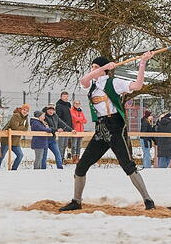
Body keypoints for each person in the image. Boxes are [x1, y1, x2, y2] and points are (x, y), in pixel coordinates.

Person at [61, 51, 156, 211]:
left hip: (115, 126)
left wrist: (143, 62)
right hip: (101, 129)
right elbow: (84, 80)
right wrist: (103, 67)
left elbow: (137, 85)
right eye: (91, 67)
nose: (92, 70)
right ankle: (76, 201)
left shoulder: (114, 82)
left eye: (95, 67)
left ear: (104, 70)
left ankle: (148, 200)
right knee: (81, 167)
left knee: (128, 166)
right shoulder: (91, 86)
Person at [0, 104, 30, 170]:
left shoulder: (25, 118)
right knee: (2, 155)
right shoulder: (16, 115)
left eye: (27, 111)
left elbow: (26, 128)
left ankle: (14, 169)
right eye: (24, 110)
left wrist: (22, 128)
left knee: (20, 155)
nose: (25, 111)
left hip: (15, 140)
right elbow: (15, 127)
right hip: (7, 139)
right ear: (21, 109)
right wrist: (22, 127)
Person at [54, 92, 78, 162]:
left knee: (65, 144)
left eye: (67, 96)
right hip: (62, 128)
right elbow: (58, 118)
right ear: (61, 97)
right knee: (61, 145)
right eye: (64, 96)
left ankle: (62, 158)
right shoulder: (58, 105)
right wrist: (62, 126)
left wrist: (70, 127)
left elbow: (70, 117)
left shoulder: (68, 105)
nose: (66, 98)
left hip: (68, 127)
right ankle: (59, 159)